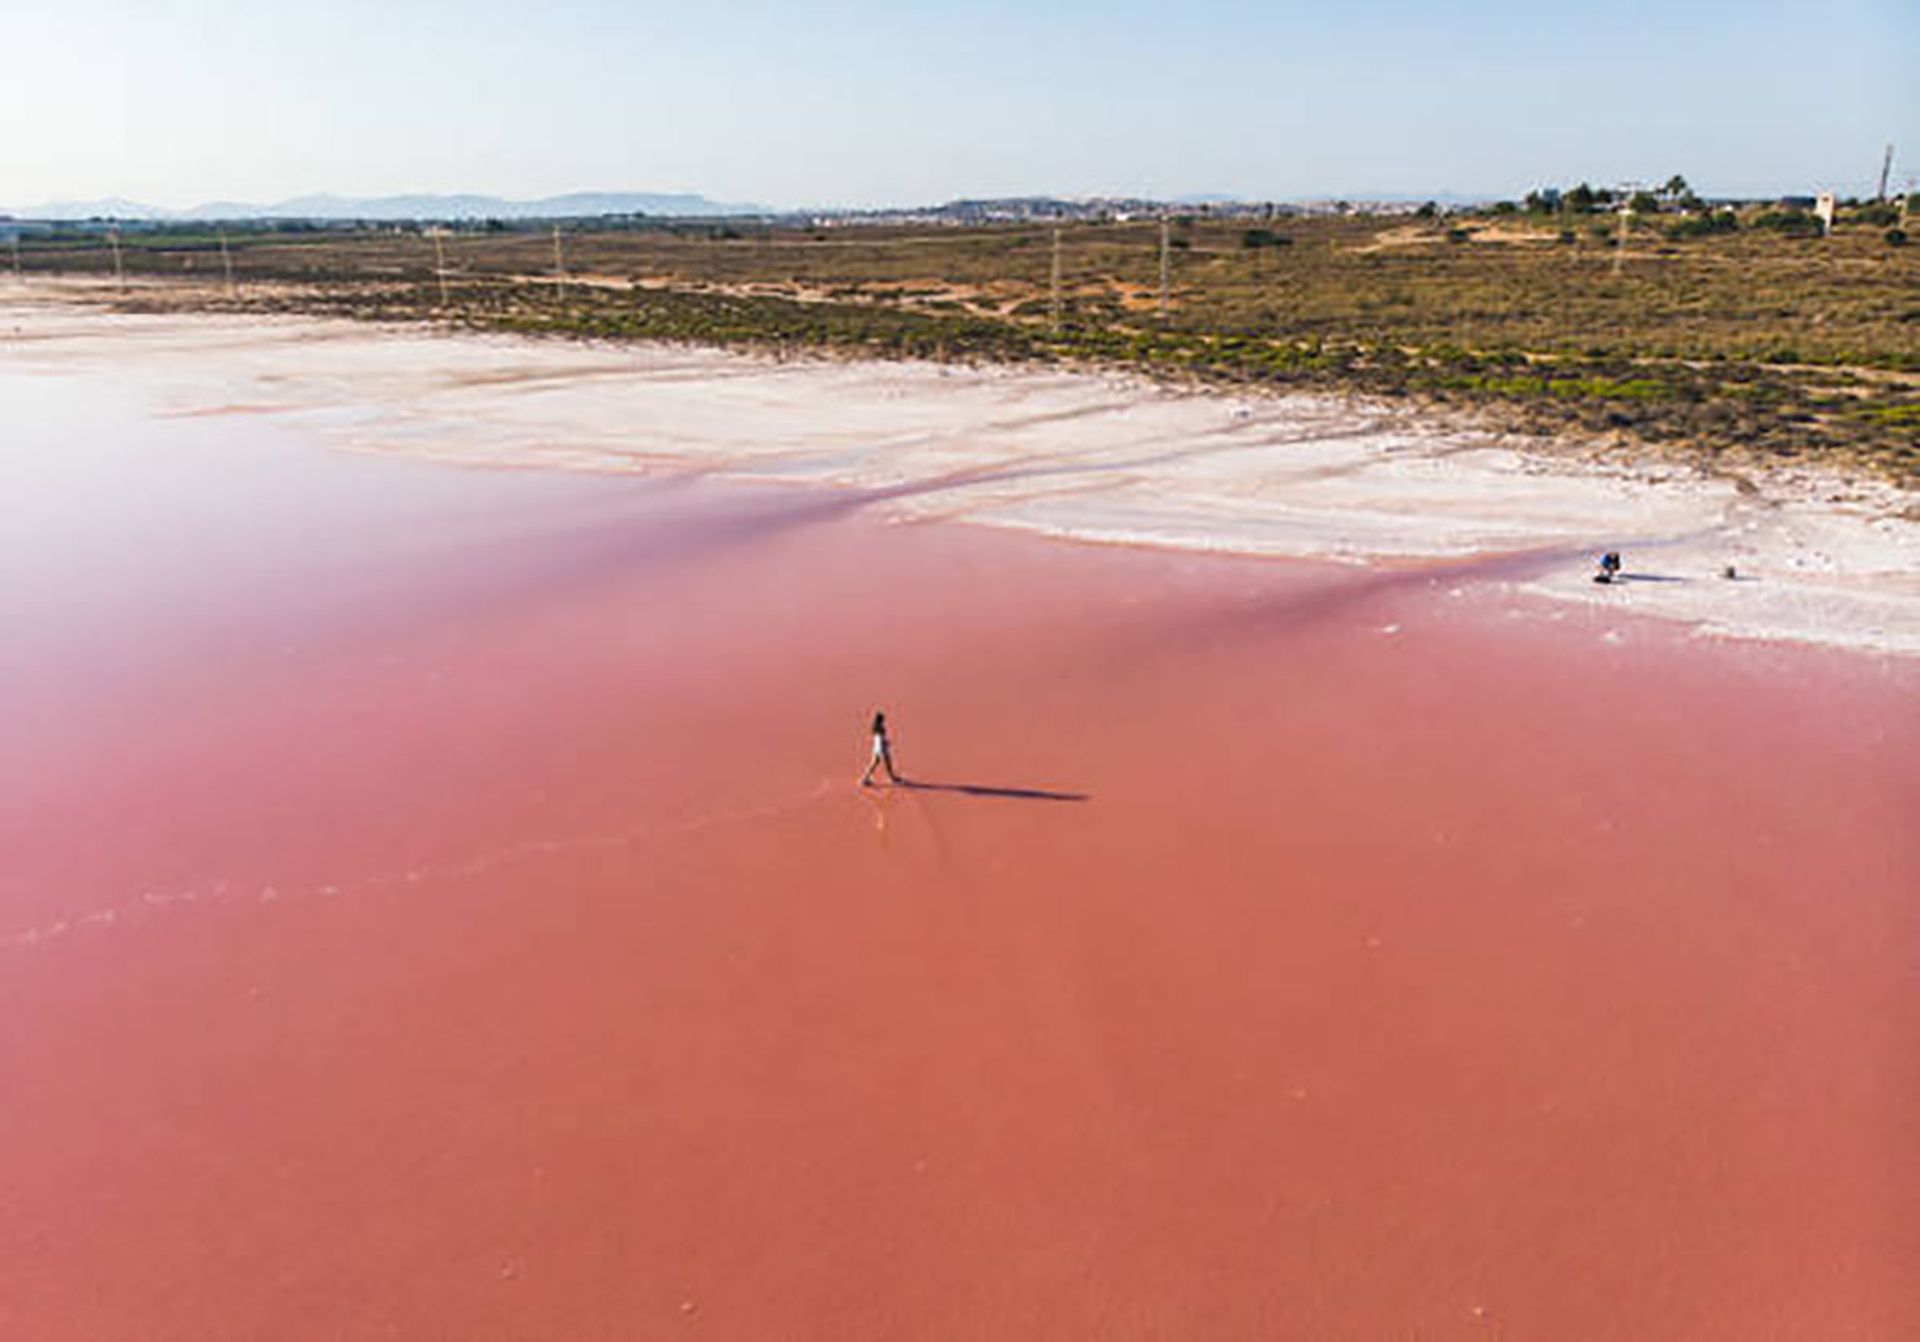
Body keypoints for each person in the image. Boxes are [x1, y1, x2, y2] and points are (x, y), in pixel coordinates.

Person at [861, 710, 902, 786]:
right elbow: (881, 739)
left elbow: (878, 739)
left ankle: (865, 778)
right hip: (882, 749)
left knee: (874, 764)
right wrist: (886, 744)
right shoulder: (881, 728)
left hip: (876, 748)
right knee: (887, 763)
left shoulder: (874, 727)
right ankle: (892, 778)